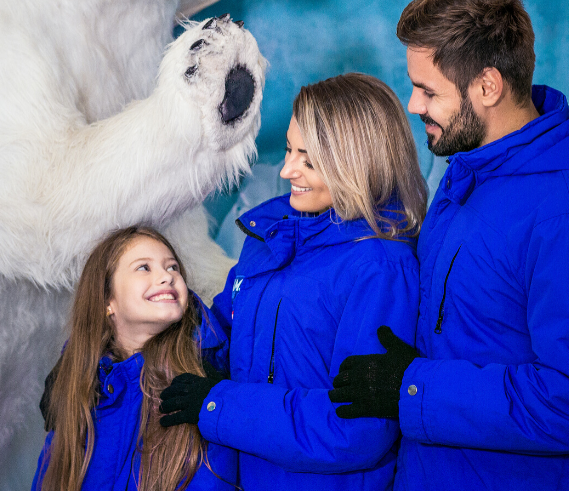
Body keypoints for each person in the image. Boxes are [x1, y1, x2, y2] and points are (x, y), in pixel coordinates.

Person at [329, 0, 569, 491]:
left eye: (429, 90)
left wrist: (414, 387)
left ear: (487, 86)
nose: (413, 104)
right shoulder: (466, 178)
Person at [158, 73, 427, 490]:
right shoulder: (275, 235)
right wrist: (114, 351)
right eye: (288, 150)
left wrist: (218, 406)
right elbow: (220, 333)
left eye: (308, 159)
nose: (286, 170)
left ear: (356, 161)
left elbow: (354, 433)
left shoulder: (379, 267)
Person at [32, 226, 236, 491]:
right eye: (144, 267)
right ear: (108, 300)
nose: (166, 276)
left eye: (173, 267)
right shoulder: (78, 403)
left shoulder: (202, 392)